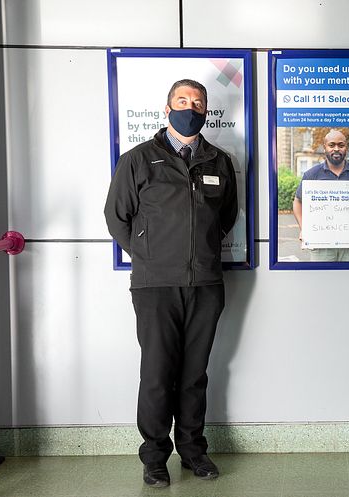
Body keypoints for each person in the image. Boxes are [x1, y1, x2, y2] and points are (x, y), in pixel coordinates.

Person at [104, 79, 238, 487]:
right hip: (155, 286)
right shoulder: (140, 159)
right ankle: (155, 457)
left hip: (205, 284)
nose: (190, 107)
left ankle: (194, 451)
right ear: (167, 109)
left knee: (195, 373)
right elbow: (116, 217)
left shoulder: (218, 161)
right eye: (182, 100)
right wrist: (149, 256)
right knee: (159, 373)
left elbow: (225, 218)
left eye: (198, 102)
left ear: (206, 110)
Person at [292, 129, 349, 261]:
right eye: (331, 145)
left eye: (341, 145)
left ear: (346, 148)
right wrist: (304, 228)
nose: (336, 149)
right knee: (321, 281)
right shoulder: (311, 175)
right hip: (321, 244)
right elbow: (298, 202)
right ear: (324, 147)